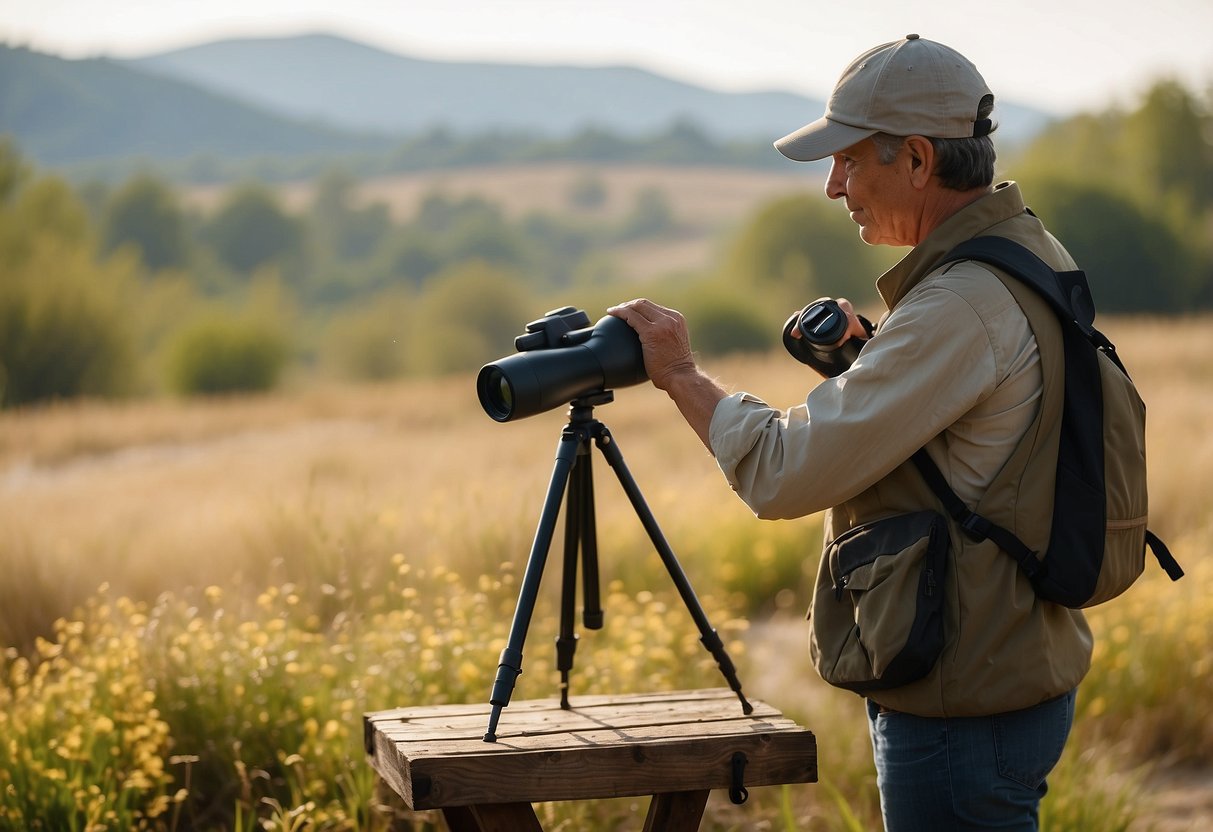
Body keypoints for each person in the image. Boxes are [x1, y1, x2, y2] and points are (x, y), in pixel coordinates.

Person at [609, 35, 1091, 832]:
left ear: (913, 160)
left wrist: (680, 374)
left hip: (958, 698)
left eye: (847, 160)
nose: (833, 187)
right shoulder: (1024, 252)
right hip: (1008, 667)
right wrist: (877, 367)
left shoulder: (957, 304)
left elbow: (781, 474)